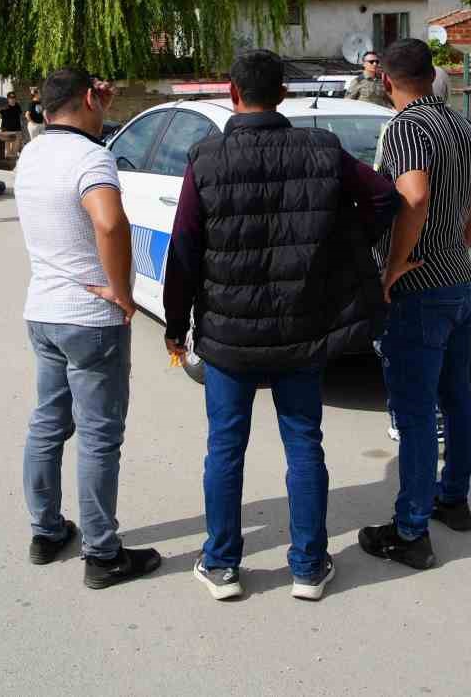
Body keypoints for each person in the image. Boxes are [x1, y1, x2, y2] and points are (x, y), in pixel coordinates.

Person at [163, 49, 397, 602]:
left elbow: (185, 249)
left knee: (225, 446)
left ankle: (222, 565)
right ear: (284, 94)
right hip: (303, 328)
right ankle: (309, 567)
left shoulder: (205, 156)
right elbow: (384, 196)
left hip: (227, 335)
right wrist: (348, 240)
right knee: (303, 441)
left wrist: (176, 325)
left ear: (231, 92)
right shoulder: (323, 149)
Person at [359, 38, 471, 571]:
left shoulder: (405, 128)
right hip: (460, 282)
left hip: (420, 289)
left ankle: (411, 529)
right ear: (432, 74)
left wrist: (396, 261)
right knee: (456, 396)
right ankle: (454, 499)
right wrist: (466, 235)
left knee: (417, 411)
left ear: (386, 81)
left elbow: (414, 196)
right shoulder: (455, 121)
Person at [14, 67, 161, 588]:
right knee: (99, 435)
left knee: (48, 422)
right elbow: (110, 221)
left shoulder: (31, 154)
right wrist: (120, 288)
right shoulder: (91, 158)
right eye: (101, 95)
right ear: (86, 100)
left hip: (45, 312)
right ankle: (102, 553)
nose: (106, 103)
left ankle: (47, 530)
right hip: (91, 319)